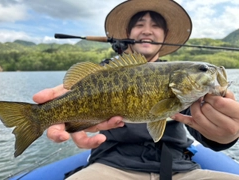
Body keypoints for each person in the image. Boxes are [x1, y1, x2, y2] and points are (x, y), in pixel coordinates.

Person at [33, 0, 239, 179]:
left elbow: (199, 124)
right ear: (128, 34)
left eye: (156, 26)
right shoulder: (103, 73)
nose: (148, 30)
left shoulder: (181, 82)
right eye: (140, 25)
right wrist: (56, 113)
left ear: (165, 36)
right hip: (111, 166)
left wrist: (224, 135)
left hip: (180, 168)